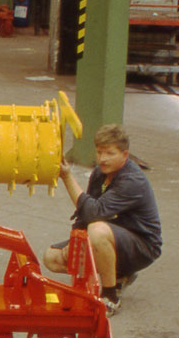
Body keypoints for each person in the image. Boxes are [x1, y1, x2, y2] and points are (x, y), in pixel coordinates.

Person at [42, 123, 161, 313]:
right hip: (113, 235)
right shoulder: (100, 174)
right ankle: (118, 275)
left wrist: (67, 177)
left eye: (110, 153)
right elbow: (84, 217)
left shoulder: (132, 180)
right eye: (99, 152)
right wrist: (73, 244)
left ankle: (110, 296)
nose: (102, 159)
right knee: (52, 258)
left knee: (97, 230)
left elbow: (94, 213)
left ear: (125, 155)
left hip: (142, 245)